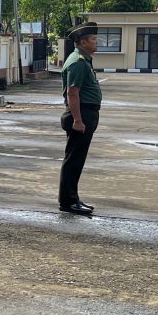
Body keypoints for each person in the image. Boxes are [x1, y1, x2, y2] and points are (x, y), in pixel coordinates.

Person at [59, 22, 102, 216]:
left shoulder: (83, 60)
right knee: (74, 160)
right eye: (93, 39)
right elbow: (72, 93)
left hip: (85, 113)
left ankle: (72, 198)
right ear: (83, 42)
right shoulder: (77, 61)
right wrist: (77, 120)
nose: (96, 42)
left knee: (76, 159)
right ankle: (69, 201)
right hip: (81, 114)